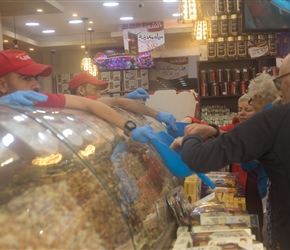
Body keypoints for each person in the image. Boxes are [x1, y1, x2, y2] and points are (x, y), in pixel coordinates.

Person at [169, 53, 290, 250]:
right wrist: (214, 131)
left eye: (280, 82)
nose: (280, 91)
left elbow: (199, 158)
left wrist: (190, 136)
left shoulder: (275, 119)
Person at [0, 49, 157, 144]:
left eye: (36, 78)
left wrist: (130, 129)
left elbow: (89, 104)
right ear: (2, 85)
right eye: (26, 78)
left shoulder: (39, 98)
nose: (36, 85)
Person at [67, 72, 177, 130]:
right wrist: (157, 114)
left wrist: (128, 96)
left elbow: (111, 101)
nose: (99, 95)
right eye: (95, 90)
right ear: (81, 90)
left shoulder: (71, 103)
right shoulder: (87, 101)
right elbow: (118, 102)